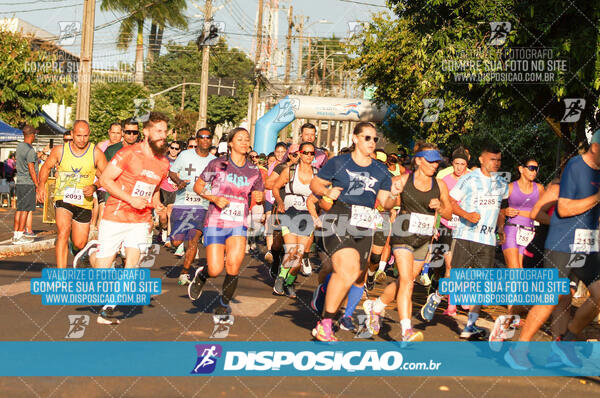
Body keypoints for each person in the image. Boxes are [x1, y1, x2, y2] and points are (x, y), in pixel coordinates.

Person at [505, 130, 600, 370]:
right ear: (596, 147)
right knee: (549, 299)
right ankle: (518, 350)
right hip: (562, 243)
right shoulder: (576, 167)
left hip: (587, 245)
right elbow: (565, 209)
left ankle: (565, 343)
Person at [74, 112, 170, 324]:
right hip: (116, 215)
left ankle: (108, 309)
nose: (163, 135)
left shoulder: (164, 163)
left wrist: (156, 204)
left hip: (140, 220)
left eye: (165, 131)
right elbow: (106, 180)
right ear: (146, 132)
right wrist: (130, 199)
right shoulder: (128, 154)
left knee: (133, 265)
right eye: (158, 131)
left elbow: (153, 189)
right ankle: (92, 252)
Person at [309, 122, 396, 341]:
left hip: (365, 222)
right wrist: (329, 191)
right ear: (356, 138)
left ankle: (327, 299)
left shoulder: (381, 169)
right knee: (347, 269)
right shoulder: (339, 162)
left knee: (357, 274)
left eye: (375, 139)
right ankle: (326, 323)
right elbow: (315, 184)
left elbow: (385, 201)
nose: (372, 143)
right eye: (367, 138)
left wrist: (395, 196)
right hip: (338, 218)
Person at [363, 143, 452, 341]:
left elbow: (449, 212)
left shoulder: (440, 185)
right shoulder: (403, 180)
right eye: (430, 160)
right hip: (403, 236)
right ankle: (406, 330)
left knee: (406, 280)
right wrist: (393, 197)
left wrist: (440, 206)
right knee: (407, 283)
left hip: (424, 239)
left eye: (437, 161)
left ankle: (376, 307)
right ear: (419, 160)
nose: (434, 165)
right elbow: (384, 202)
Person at [187, 127, 264, 317]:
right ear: (230, 143)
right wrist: (213, 198)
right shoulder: (218, 164)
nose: (245, 143)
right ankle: (202, 275)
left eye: (247, 139)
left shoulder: (254, 170)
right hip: (215, 220)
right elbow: (199, 186)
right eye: (240, 139)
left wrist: (259, 196)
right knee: (215, 269)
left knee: (234, 266)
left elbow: (258, 194)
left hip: (238, 222)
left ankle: (223, 303)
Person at [448, 145, 509, 339]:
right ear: (481, 160)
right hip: (466, 235)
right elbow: (449, 202)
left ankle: (470, 325)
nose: (496, 163)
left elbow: (501, 209)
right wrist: (466, 214)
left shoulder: (502, 183)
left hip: (488, 239)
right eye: (493, 159)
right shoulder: (468, 178)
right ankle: (436, 297)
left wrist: (501, 228)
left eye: (499, 160)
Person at [37, 120, 107, 268]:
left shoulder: (96, 153)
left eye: (85, 136)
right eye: (79, 135)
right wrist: (41, 186)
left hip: (84, 202)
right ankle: (61, 274)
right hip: (63, 198)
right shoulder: (60, 150)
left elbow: (107, 176)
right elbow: (46, 167)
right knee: (63, 231)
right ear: (72, 134)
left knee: (79, 242)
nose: (82, 139)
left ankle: (84, 252)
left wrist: (95, 186)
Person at [168, 128, 216, 285]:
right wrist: (179, 182)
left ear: (211, 140)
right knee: (176, 241)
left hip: (202, 205)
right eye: (201, 137)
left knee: (193, 239)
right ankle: (177, 243)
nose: (205, 140)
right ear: (196, 139)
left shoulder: (214, 161)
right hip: (182, 203)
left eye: (208, 137)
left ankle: (184, 272)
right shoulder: (185, 155)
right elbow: (172, 172)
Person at [427, 148, 470, 317]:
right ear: (452, 164)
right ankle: (451, 305)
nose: (459, 168)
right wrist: (434, 225)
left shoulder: (472, 180)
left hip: (465, 227)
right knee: (451, 266)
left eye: (463, 164)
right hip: (446, 226)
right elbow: (438, 204)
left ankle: (462, 298)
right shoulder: (444, 180)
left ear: (467, 165)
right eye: (457, 164)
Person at [272, 142, 317, 297]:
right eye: (306, 153)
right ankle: (280, 278)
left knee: (299, 255)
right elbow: (275, 187)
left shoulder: (317, 174)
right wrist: (279, 202)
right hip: (290, 213)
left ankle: (289, 282)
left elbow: (323, 193)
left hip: (307, 215)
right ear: (299, 153)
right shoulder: (290, 171)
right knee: (291, 250)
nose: (309, 156)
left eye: (312, 153)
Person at [13, 125, 39, 244]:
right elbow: (31, 169)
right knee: (25, 210)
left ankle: (16, 234)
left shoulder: (19, 146)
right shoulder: (30, 150)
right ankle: (20, 236)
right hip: (28, 183)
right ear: (32, 135)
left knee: (19, 209)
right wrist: (37, 183)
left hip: (20, 182)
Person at [94, 122, 123, 228]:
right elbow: (95, 165)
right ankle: (99, 237)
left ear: (122, 134)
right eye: (113, 132)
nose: (115, 136)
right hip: (102, 182)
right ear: (109, 132)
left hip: (118, 185)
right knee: (102, 208)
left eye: (118, 133)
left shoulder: (124, 148)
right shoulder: (101, 146)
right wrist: (104, 178)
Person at [264, 142, 288, 264]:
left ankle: (279, 250)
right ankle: (269, 250)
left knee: (281, 228)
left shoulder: (289, 166)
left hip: (283, 199)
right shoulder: (271, 165)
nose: (280, 154)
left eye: (282, 152)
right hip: (270, 197)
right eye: (277, 152)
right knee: (270, 221)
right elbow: (267, 183)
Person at [158, 140, 182, 243]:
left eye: (176, 149)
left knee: (170, 212)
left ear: (179, 150)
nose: (173, 150)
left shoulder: (181, 161)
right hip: (163, 188)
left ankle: (169, 237)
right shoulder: (163, 160)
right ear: (169, 148)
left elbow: (182, 174)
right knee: (162, 215)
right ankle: (163, 228)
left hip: (174, 189)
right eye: (172, 148)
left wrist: (178, 181)